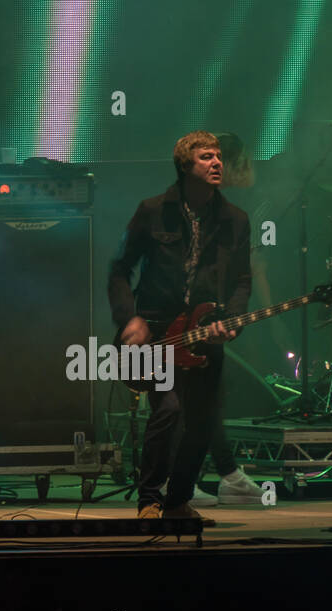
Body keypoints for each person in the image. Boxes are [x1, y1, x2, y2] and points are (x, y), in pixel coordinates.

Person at [108, 131, 253, 523]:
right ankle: (149, 499)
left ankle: (178, 502)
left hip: (205, 334)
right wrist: (129, 319)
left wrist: (233, 319)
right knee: (169, 409)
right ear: (185, 166)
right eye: (207, 157)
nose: (218, 162)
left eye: (219, 156)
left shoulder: (235, 220)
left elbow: (242, 279)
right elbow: (120, 268)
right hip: (156, 334)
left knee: (203, 420)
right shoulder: (152, 210)